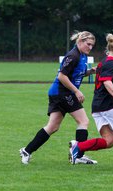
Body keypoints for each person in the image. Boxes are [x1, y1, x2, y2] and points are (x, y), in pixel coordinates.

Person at [19, 31, 97, 165]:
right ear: (80, 41)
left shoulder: (82, 56)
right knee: (83, 121)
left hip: (58, 93)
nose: (90, 47)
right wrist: (77, 91)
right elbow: (62, 76)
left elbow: (76, 73)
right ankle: (78, 155)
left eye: (92, 45)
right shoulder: (73, 56)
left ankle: (27, 150)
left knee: (53, 126)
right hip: (63, 93)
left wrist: (91, 71)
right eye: (88, 44)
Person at [68, 33, 113, 172]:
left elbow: (104, 82)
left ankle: (78, 147)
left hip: (98, 106)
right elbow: (106, 82)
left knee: (108, 141)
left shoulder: (104, 62)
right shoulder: (111, 63)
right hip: (110, 105)